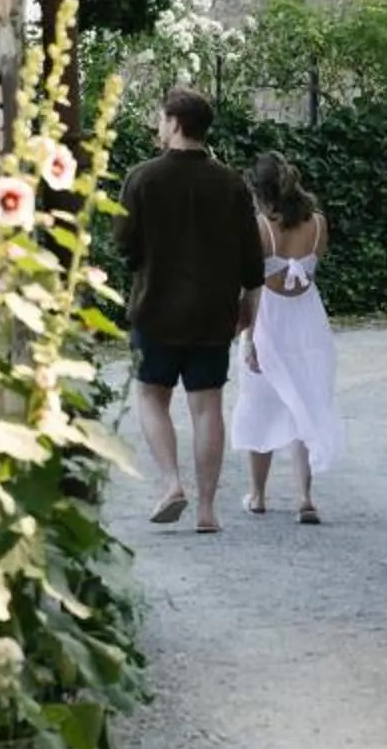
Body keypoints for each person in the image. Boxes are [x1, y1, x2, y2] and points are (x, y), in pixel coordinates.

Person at [118, 85, 264, 535]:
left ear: (175, 122)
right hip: (212, 313)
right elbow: (252, 263)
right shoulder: (231, 183)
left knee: (150, 396)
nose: (158, 127)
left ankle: (170, 483)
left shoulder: (142, 178)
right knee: (207, 408)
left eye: (162, 119)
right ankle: (206, 510)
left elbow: (124, 246)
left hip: (155, 308)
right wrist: (248, 315)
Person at [231, 150, 343, 525]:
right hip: (308, 320)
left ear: (259, 192)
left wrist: (247, 338)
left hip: (270, 319)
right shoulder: (318, 225)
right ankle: (305, 497)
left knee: (258, 402)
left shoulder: (261, 228)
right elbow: (314, 268)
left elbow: (251, 285)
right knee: (306, 400)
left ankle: (258, 495)